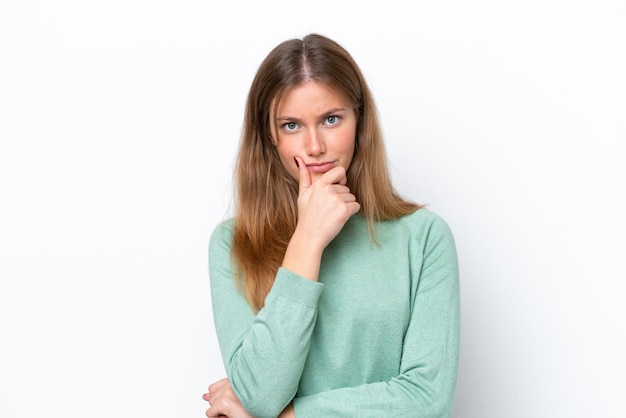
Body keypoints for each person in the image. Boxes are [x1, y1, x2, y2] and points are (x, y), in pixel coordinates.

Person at [202, 33, 460, 418]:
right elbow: (260, 394)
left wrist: (288, 417)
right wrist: (307, 239)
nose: (314, 146)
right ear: (270, 135)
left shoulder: (423, 238)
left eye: (331, 119)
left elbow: (427, 399)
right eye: (291, 125)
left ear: (360, 122)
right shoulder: (232, 243)